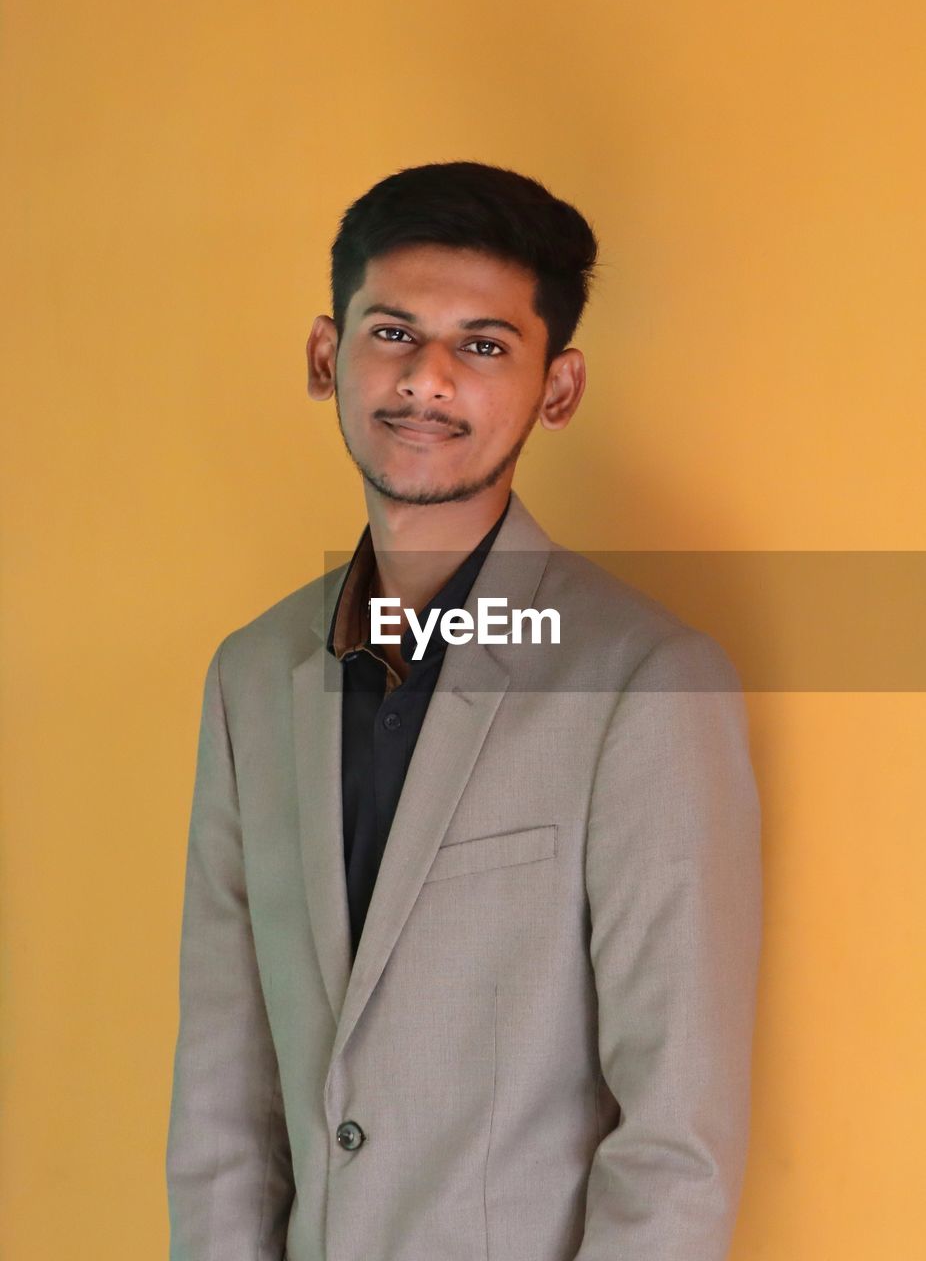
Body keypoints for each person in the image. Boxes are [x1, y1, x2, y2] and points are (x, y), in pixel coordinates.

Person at [166, 160, 763, 1261]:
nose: (426, 379)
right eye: (391, 332)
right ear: (323, 354)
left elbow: (675, 1141)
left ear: (558, 387)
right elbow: (222, 1097)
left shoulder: (644, 680)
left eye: (483, 345)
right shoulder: (250, 676)